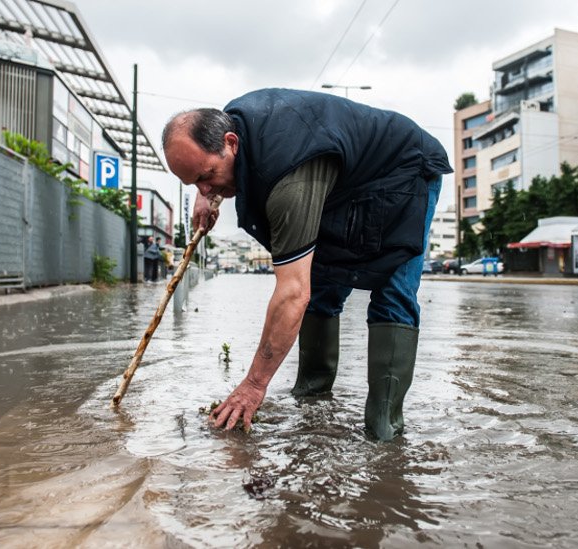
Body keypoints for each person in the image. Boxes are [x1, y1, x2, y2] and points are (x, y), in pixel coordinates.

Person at [162, 88, 452, 440]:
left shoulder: (287, 176)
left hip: (405, 171)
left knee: (393, 293)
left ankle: (384, 432)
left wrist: (254, 385)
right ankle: (312, 402)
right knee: (324, 287)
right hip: (342, 185)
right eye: (195, 182)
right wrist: (206, 193)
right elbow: (207, 162)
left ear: (231, 143)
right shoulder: (222, 126)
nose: (207, 189)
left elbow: (292, 294)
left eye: (207, 177)